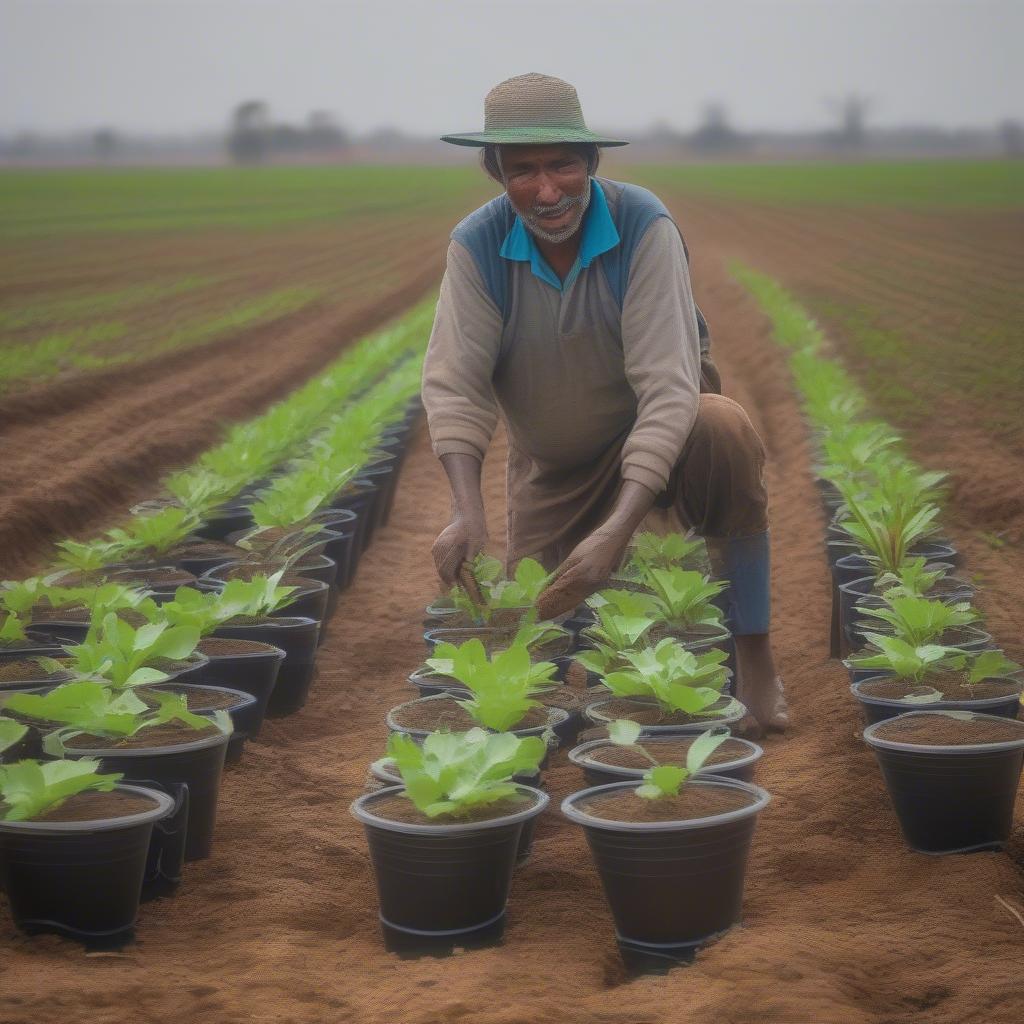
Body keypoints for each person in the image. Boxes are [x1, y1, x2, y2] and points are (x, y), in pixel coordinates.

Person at [421, 73, 788, 735]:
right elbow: (455, 384)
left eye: (563, 163)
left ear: (591, 162)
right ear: (494, 172)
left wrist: (616, 533)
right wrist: (465, 513)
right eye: (522, 169)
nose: (547, 188)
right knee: (531, 638)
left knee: (722, 425)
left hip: (666, 440)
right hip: (555, 471)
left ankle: (755, 654)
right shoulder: (476, 245)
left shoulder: (642, 225)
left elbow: (668, 387)